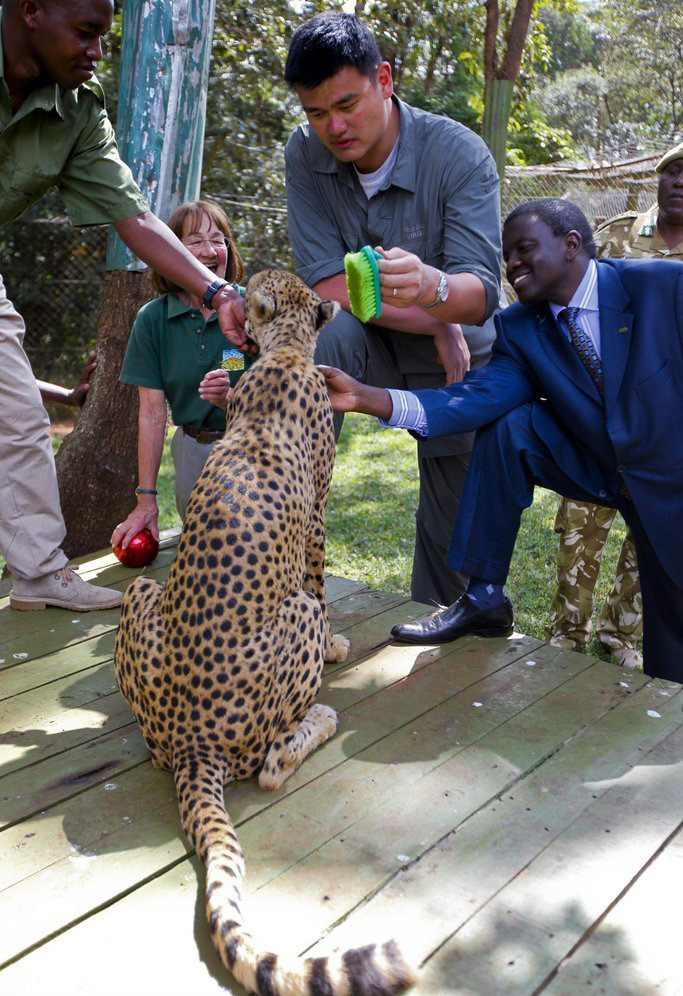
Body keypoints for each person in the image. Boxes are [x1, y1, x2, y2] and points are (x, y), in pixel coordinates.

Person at [320, 198, 683, 685]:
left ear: (571, 244)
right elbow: (476, 398)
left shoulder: (661, 287)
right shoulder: (519, 326)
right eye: (506, 256)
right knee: (510, 424)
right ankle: (484, 596)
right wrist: (370, 397)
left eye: (523, 249)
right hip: (598, 468)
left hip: (672, 478)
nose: (511, 266)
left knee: (672, 639)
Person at [1, 0, 245, 613]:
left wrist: (218, 292)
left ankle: (38, 572)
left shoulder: (77, 111)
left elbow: (133, 215)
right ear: (31, 10)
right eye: (85, 33)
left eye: (104, 35)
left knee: (18, 421)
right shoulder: (152, 323)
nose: (98, 52)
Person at [281, 12, 502, 609]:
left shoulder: (459, 153)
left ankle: (445, 633)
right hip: (369, 344)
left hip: (460, 364)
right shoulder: (303, 154)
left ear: (384, 77)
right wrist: (438, 319)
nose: (334, 126)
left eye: (347, 103)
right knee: (312, 344)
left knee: (452, 543)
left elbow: (481, 294)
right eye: (316, 112)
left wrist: (434, 289)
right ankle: (279, 558)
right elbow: (327, 287)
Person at [547, 141, 683, 670]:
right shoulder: (621, 235)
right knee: (582, 518)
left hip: (668, 419)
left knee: (652, 531)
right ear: (657, 179)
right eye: (672, 172)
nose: (680, 182)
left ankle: (620, 631)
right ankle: (568, 629)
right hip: (601, 405)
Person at [110, 200, 254, 551]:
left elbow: (282, 400)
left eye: (218, 239)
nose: (210, 250)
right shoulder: (152, 319)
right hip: (191, 448)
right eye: (196, 241)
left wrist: (231, 401)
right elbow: (152, 413)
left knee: (250, 550)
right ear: (172, 254)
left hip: (252, 447)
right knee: (203, 552)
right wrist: (146, 498)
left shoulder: (252, 307)